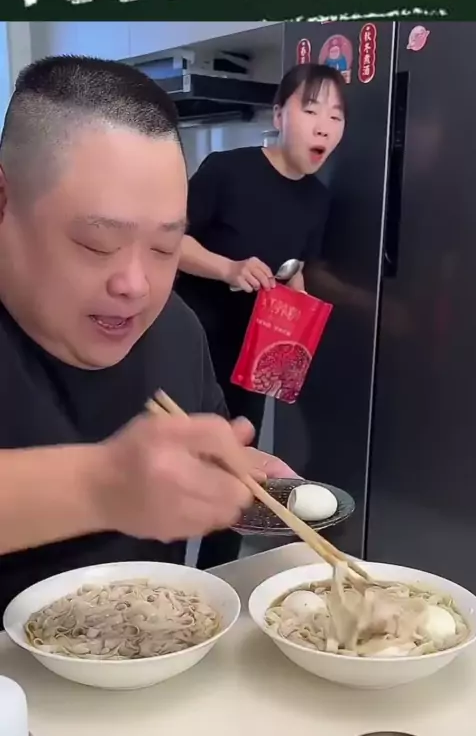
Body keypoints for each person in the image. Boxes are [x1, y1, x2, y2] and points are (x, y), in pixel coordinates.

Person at [0, 55, 294, 618]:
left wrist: (232, 474)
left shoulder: (176, 327)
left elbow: (202, 453)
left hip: (145, 653)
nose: (135, 285)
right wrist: (99, 487)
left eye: (164, 248)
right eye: (97, 244)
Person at [175, 63, 347, 568]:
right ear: (279, 115)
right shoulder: (226, 170)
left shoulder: (317, 200)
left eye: (336, 116)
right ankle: (159, 574)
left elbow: (297, 271)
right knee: (180, 470)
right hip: (193, 345)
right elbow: (169, 242)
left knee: (239, 480)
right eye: (311, 110)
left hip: (252, 359)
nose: (323, 127)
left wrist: (298, 328)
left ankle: (218, 577)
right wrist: (228, 267)